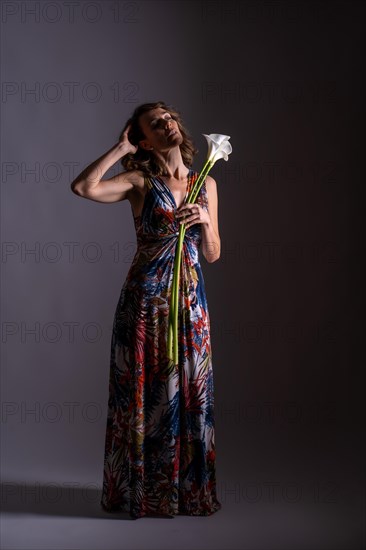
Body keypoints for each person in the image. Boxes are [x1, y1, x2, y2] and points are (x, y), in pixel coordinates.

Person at [71, 101, 222, 519]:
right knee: (144, 391)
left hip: (190, 304)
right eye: (155, 123)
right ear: (144, 138)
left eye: (170, 116)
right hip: (145, 302)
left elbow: (213, 253)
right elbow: (83, 188)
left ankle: (187, 493)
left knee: (191, 392)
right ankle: (143, 492)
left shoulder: (203, 182)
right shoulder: (140, 181)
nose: (167, 124)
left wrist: (206, 221)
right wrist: (120, 151)